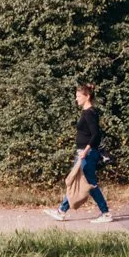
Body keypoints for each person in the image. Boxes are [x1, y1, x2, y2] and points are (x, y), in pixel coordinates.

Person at [43, 83, 113, 223]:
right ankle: (62, 211)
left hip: (87, 153)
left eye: (79, 96)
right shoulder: (87, 111)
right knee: (81, 181)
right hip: (84, 153)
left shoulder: (89, 113)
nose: (76, 99)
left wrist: (85, 151)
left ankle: (105, 213)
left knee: (88, 182)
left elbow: (96, 135)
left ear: (87, 96)